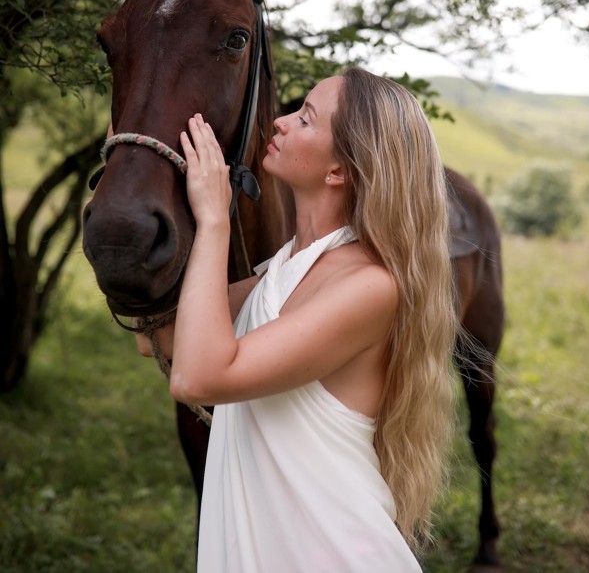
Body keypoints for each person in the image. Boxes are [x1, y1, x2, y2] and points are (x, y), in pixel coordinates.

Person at [137, 67, 458, 572]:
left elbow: (198, 376)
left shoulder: (370, 287)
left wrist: (215, 219)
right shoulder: (284, 270)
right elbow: (156, 334)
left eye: (306, 119)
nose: (281, 123)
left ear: (338, 172)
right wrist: (131, 181)